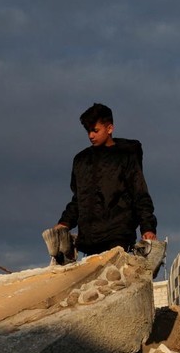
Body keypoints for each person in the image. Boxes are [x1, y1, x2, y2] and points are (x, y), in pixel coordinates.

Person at [53, 103, 158, 258]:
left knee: (114, 281)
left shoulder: (126, 156)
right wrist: (64, 223)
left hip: (118, 236)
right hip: (89, 240)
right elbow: (78, 199)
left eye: (95, 130)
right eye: (88, 131)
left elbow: (139, 194)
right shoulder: (81, 160)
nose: (91, 136)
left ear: (110, 129)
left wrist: (147, 229)